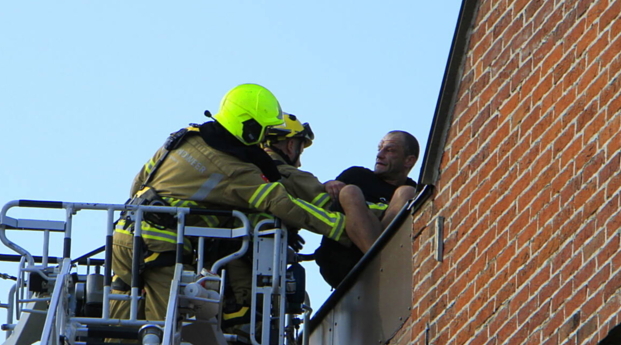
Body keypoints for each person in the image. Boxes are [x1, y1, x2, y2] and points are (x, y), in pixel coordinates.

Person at [109, 84, 354, 322]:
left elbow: (139, 183)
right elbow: (281, 203)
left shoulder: (185, 137)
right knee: (166, 334)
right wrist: (343, 228)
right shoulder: (235, 169)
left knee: (119, 333)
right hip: (162, 249)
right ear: (249, 127)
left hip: (124, 236)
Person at [314, 131, 420, 288]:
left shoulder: (414, 189)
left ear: (409, 160)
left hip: (390, 260)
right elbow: (322, 203)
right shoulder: (357, 176)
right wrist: (329, 184)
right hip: (344, 260)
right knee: (350, 191)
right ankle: (380, 261)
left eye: (389, 150)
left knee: (407, 193)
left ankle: (382, 261)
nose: (380, 155)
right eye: (380, 149)